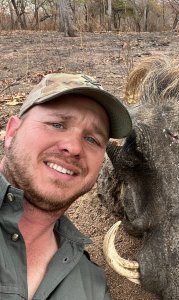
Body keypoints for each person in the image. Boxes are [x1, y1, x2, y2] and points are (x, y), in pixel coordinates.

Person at [0, 73, 132, 299]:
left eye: (92, 139)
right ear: (12, 132)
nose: (73, 147)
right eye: (57, 124)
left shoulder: (93, 287)